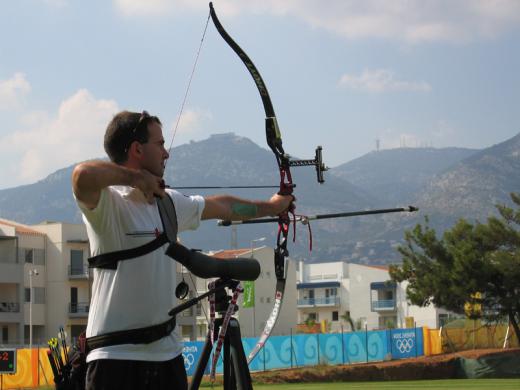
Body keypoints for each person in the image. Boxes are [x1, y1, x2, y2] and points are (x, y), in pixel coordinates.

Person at [71, 110, 293, 389]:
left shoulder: (168, 203)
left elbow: (223, 206)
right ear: (138, 149)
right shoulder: (109, 206)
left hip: (167, 356)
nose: (167, 153)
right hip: (115, 358)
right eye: (160, 144)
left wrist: (272, 206)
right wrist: (137, 180)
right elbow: (82, 176)